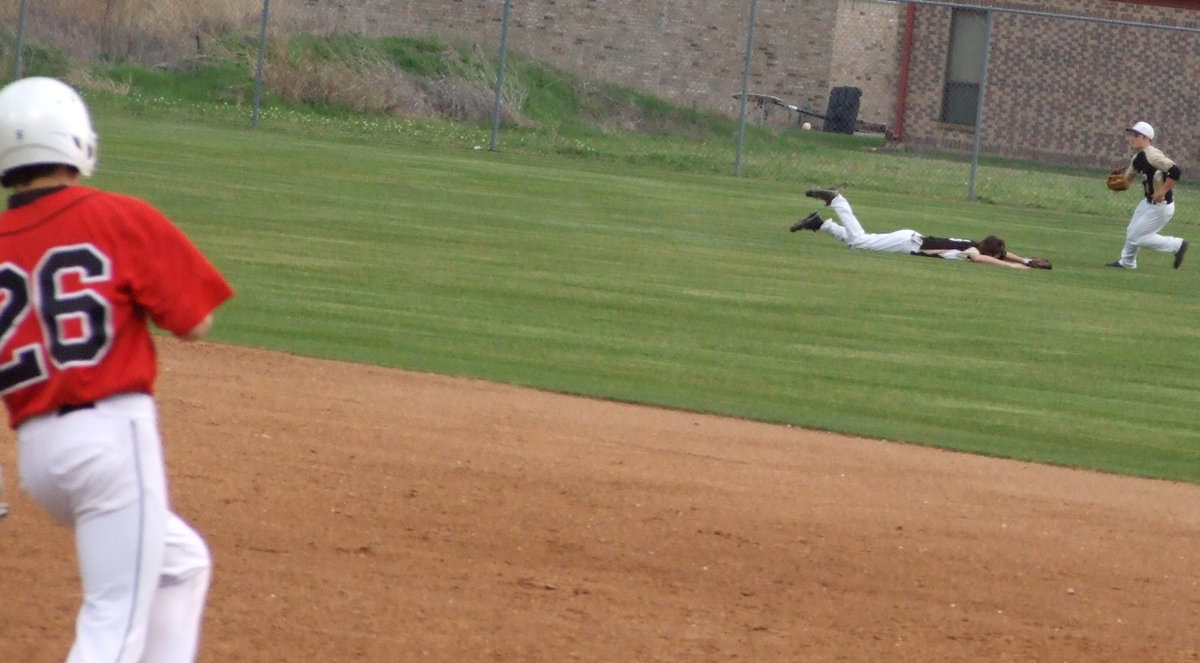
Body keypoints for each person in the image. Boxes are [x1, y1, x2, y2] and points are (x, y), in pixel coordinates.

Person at [0, 77, 234, 662]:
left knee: (180, 564)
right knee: (114, 617)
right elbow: (195, 321)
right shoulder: (118, 217)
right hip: (110, 444)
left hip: (39, 459)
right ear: (76, 142)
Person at [789, 188, 1051, 269]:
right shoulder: (972, 250)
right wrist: (1017, 268)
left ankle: (821, 224)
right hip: (908, 244)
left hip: (910, 239)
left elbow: (998, 254)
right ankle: (837, 200)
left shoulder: (973, 243)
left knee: (857, 241)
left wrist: (1027, 260)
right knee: (859, 242)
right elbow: (986, 259)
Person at [1106, 121, 1188, 270]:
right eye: (1132, 135)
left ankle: (1177, 245)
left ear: (1146, 138)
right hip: (1148, 203)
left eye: (1136, 135)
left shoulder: (1152, 155)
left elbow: (1175, 171)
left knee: (1137, 238)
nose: (1132, 138)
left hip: (1161, 206)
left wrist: (1162, 191)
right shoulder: (1137, 159)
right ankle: (1127, 262)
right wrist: (1119, 182)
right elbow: (1127, 182)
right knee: (1132, 232)